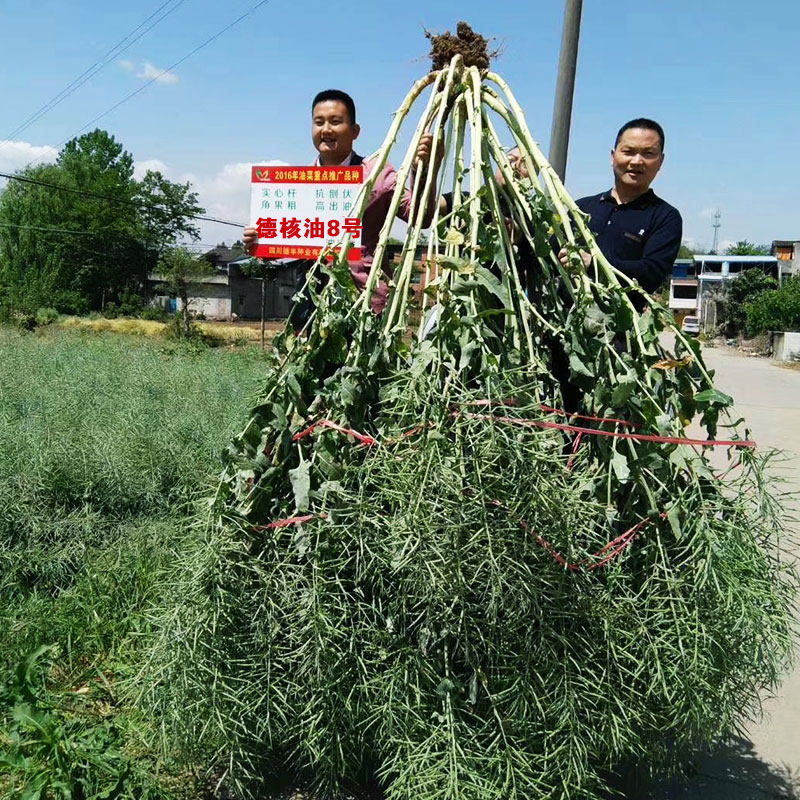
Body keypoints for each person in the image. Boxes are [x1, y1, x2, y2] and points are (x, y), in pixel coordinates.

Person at [243, 89, 441, 318]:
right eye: (319, 122)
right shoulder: (298, 186)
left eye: (335, 122)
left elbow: (420, 217)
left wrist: (424, 170)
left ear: (355, 131)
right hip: (313, 304)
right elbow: (288, 242)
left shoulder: (377, 175)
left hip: (365, 302)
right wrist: (259, 243)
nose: (326, 130)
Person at [558, 118, 682, 302]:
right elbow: (548, 251)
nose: (637, 161)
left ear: (660, 161)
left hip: (620, 320)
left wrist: (595, 264)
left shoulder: (665, 217)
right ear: (613, 156)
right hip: (564, 317)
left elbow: (651, 274)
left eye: (648, 153)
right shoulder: (581, 208)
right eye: (628, 152)